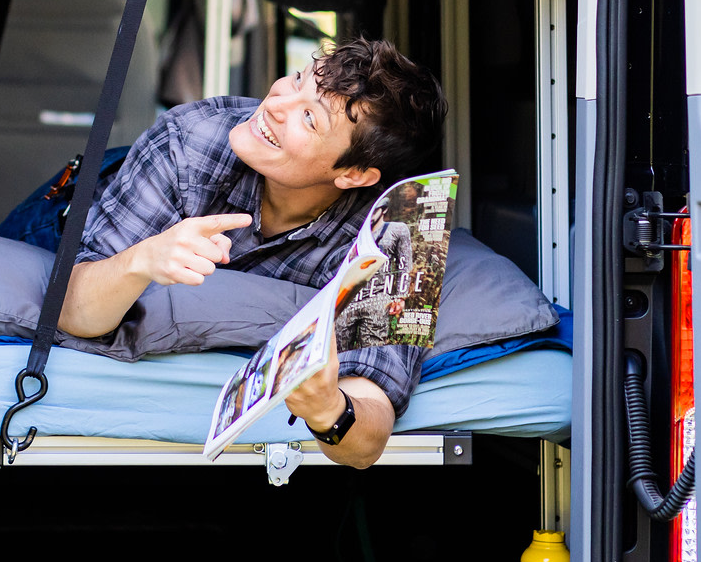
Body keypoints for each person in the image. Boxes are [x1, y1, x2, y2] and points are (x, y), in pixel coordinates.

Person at [61, 38, 444, 469]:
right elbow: (72, 312)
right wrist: (142, 260)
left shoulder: (399, 231)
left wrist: (329, 411)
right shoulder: (189, 138)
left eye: (309, 117)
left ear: (354, 174)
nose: (276, 103)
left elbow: (368, 440)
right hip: (67, 206)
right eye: (297, 79)